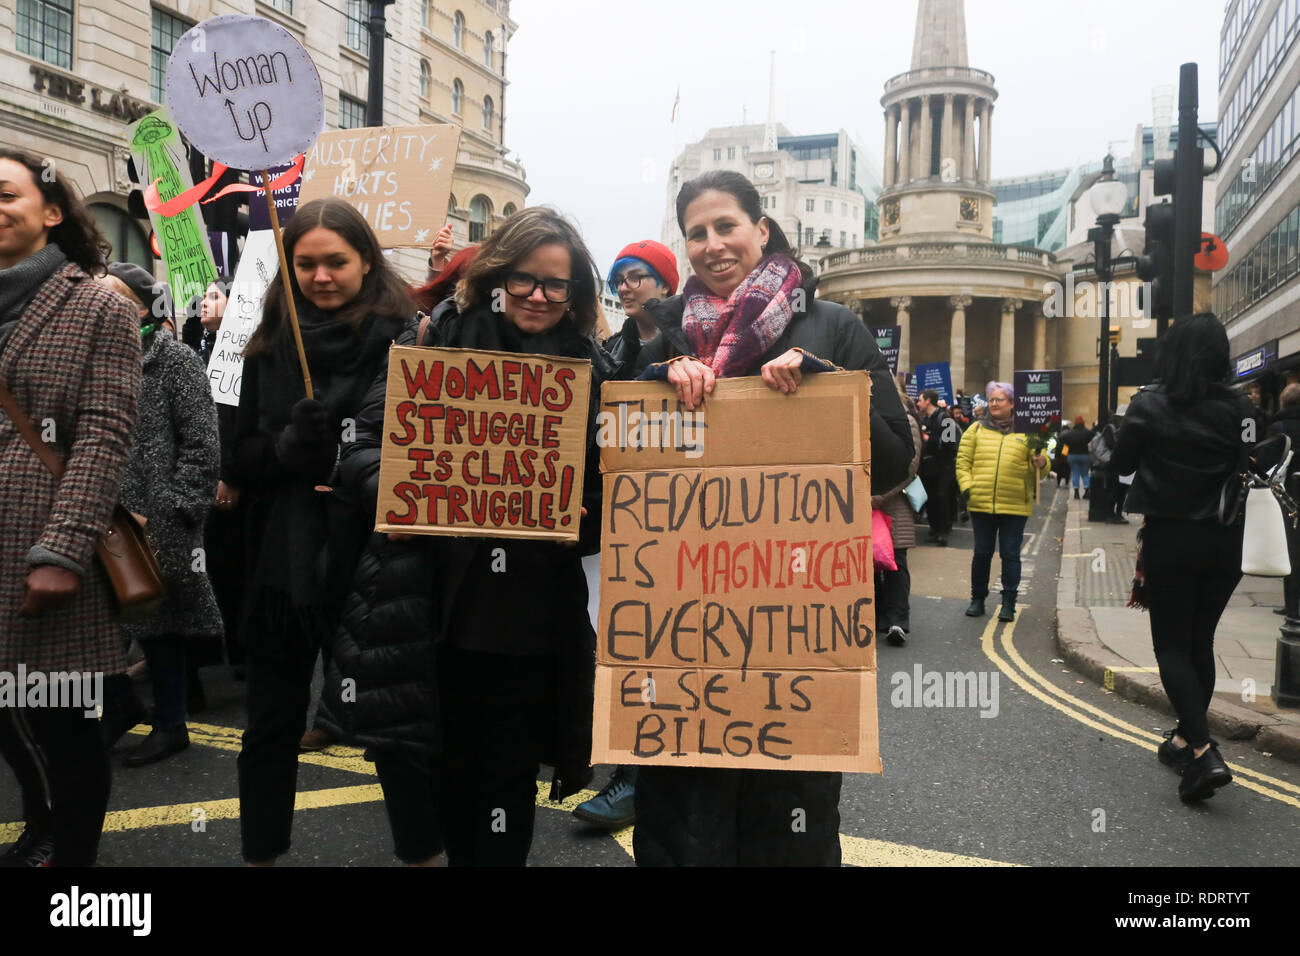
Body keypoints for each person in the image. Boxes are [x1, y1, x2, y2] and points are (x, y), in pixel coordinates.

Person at [631, 170, 914, 866]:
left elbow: (894, 462)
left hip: (794, 623)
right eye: (697, 232)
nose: (712, 244)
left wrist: (826, 385)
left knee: (787, 827)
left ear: (761, 230)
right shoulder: (660, 335)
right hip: (685, 621)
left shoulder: (833, 327)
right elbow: (613, 452)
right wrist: (655, 384)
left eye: (726, 226)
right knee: (685, 827)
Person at [321, 206, 610, 867]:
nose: (539, 295)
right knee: (445, 773)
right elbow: (360, 449)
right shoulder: (431, 349)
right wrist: (402, 489)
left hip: (532, 622)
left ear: (576, 294)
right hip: (435, 608)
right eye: (525, 279)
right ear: (496, 278)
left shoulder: (595, 374)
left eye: (556, 284)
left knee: (507, 783)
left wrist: (583, 517)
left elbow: (616, 488)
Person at [229, 198, 417, 865]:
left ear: (367, 260)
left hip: (377, 558)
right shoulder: (265, 340)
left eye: (336, 261)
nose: (321, 276)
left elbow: (421, 452)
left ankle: (421, 854)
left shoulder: (410, 341)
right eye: (304, 263)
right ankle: (261, 853)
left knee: (396, 725)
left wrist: (342, 458)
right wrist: (285, 448)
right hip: (287, 559)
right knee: (271, 724)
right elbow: (235, 456)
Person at [0, 148, 141, 866]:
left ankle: (74, 871)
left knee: (61, 720)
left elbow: (105, 435)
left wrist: (61, 551)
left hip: (48, 548)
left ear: (51, 212)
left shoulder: (97, 303)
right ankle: (39, 819)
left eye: (5, 193)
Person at [1110, 313, 1257, 803]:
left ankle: (1201, 750)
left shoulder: (1148, 404)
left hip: (1172, 538)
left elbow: (1122, 465)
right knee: (1200, 640)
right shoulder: (1243, 407)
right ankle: (1180, 739)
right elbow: (1254, 463)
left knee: (1171, 645)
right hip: (1226, 539)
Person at [569, 238, 679, 831]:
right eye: (621, 277)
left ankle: (638, 776)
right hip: (613, 519)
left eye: (641, 276)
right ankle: (628, 764)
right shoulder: (612, 347)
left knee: (653, 649)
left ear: (666, 284)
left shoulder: (689, 339)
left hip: (672, 524)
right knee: (616, 647)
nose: (630, 285)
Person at [97, 263, 222, 767]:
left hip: (155, 520)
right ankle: (119, 706)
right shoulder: (97, 358)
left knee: (160, 624)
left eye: (115, 297)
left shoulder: (175, 361)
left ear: (145, 308)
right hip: (101, 513)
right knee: (102, 621)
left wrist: (174, 509)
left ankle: (171, 725)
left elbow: (203, 445)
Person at [955, 381, 1047, 623]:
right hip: (981, 503)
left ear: (1013, 404)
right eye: (992, 400)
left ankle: (1008, 603)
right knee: (982, 553)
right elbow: (963, 462)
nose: (994, 404)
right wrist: (968, 488)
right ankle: (978, 599)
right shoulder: (975, 430)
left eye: (1000, 400)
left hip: (1015, 505)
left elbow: (1042, 468)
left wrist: (1041, 463)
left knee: (1010, 554)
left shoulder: (1029, 432)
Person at [875, 381, 924, 645]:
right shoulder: (865, 414)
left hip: (893, 502)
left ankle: (896, 620)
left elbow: (909, 468)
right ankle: (875, 616)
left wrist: (877, 497)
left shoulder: (907, 421)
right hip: (867, 502)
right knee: (868, 562)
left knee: (896, 562)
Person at [601, 239, 679, 378]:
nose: (623, 288)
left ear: (665, 286)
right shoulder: (610, 350)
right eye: (619, 280)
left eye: (635, 277)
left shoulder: (694, 341)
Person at [1268, 383, 1300, 618]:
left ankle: (1292, 606)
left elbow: (1265, 461)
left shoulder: (1278, 426)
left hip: (1289, 495)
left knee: (1291, 549)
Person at [916, 388, 958, 545]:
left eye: (920, 400)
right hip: (928, 466)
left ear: (928, 401)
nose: (918, 403)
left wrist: (928, 438)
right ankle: (934, 528)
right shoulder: (924, 419)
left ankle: (943, 531)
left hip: (943, 466)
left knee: (942, 497)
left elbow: (949, 442)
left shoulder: (945, 418)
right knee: (930, 498)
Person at [1060, 415, 1094, 499]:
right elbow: (1094, 436)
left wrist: (1067, 444)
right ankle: (1087, 491)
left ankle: (1076, 493)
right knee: (1085, 474)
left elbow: (1061, 437)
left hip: (1072, 455)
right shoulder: (1087, 432)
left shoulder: (1070, 433)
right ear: (1083, 423)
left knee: (1075, 473)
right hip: (1085, 455)